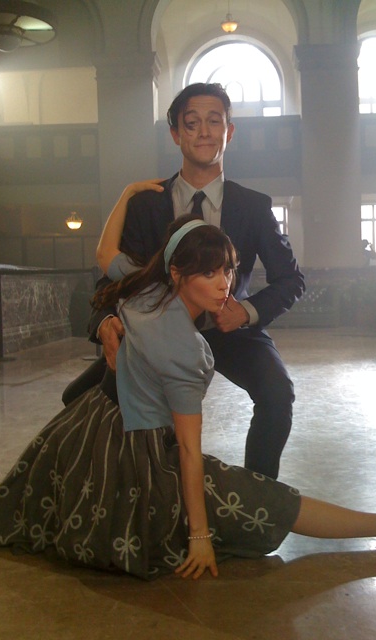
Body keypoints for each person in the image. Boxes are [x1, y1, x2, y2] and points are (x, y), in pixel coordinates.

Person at [0, 182, 376, 582]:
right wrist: (199, 537)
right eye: (208, 273)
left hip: (85, 431)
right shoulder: (186, 352)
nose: (224, 283)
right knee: (262, 500)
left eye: (228, 269)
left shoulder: (149, 285)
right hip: (135, 457)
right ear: (178, 272)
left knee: (1, 507)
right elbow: (189, 453)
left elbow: (105, 253)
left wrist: (126, 193)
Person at [62, 82, 306, 480]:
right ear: (176, 134)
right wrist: (105, 321)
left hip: (228, 329)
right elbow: (110, 274)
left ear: (229, 131)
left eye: (215, 122)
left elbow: (291, 278)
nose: (204, 132)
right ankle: (145, 488)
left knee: (278, 395)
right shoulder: (146, 203)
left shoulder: (254, 206)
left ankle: (257, 496)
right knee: (78, 399)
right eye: (192, 123)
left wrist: (246, 311)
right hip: (157, 332)